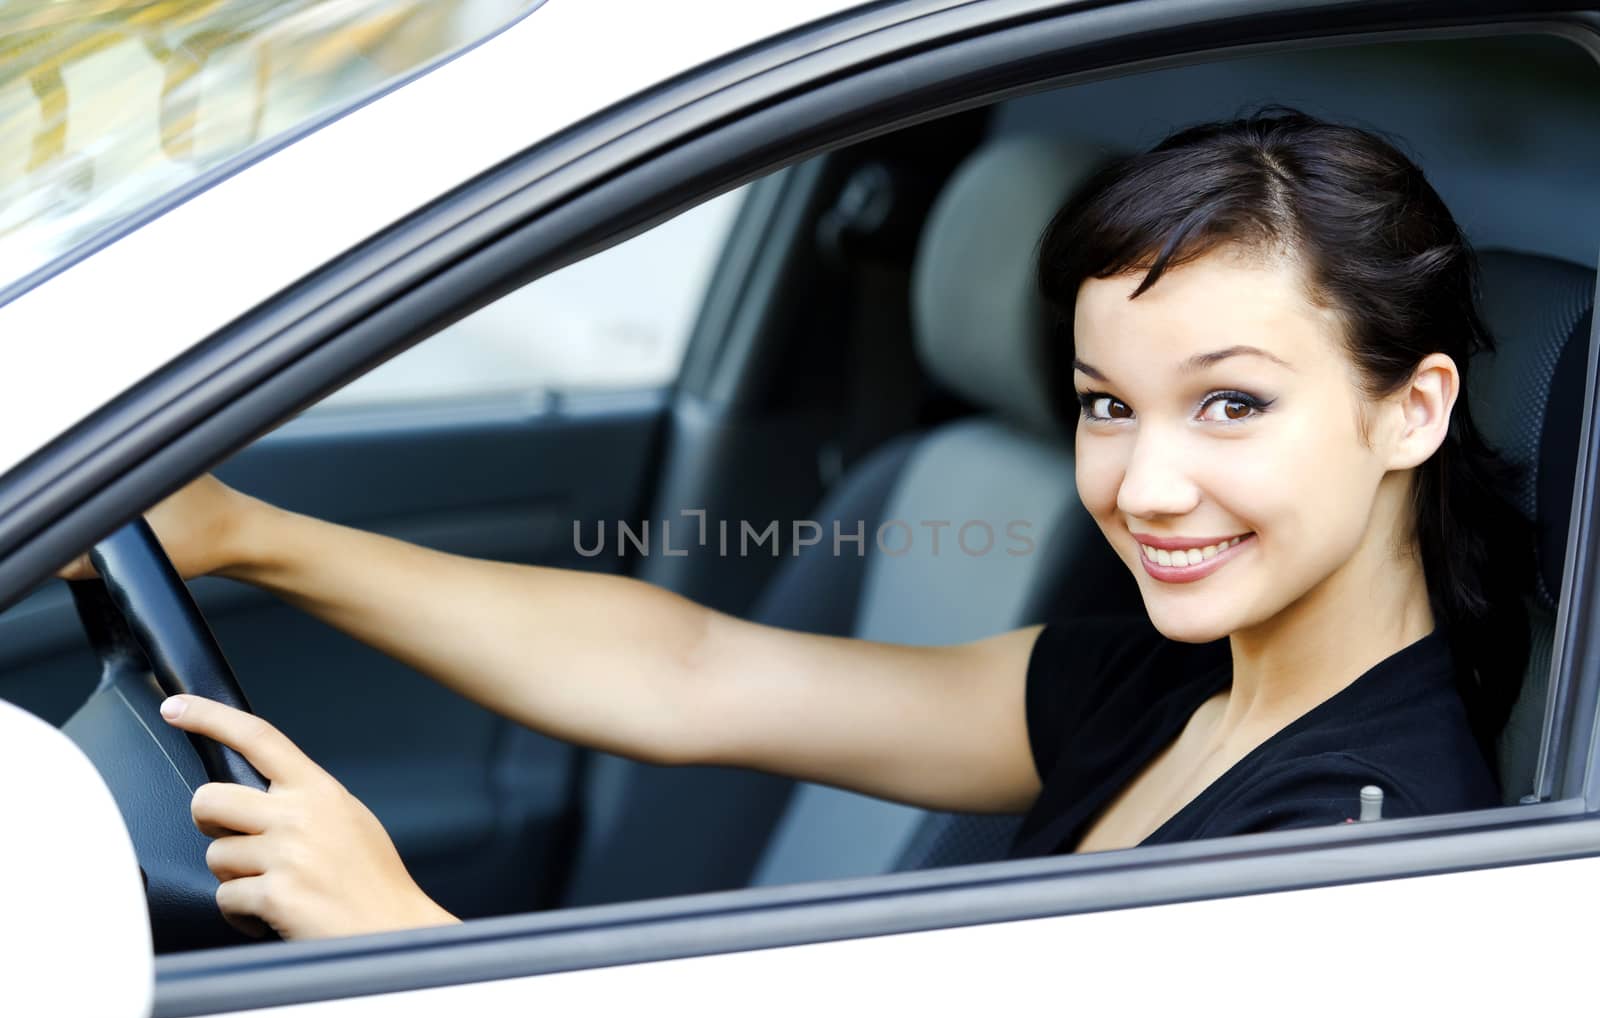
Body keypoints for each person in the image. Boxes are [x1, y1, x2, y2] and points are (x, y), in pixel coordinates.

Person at [61, 107, 1531, 941]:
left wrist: (406, 945)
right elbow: (695, 674)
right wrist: (248, 532)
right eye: (1104, 403)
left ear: (1410, 408)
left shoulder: (1357, 853)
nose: (1144, 485)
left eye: (1229, 406)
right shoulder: (1169, 682)